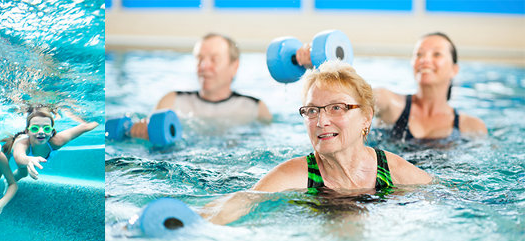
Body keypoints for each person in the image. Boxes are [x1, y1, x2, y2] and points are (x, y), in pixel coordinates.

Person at [200, 61, 433, 225]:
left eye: (336, 108)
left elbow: (446, 198)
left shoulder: (391, 170)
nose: (321, 121)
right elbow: (243, 200)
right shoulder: (299, 173)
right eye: (312, 110)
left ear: (366, 117)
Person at [296, 32, 487, 142]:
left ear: (454, 69)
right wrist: (320, 66)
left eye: (436, 54)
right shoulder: (389, 103)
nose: (425, 60)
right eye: (419, 54)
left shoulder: (471, 126)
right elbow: (350, 95)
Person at [127, 33, 272, 139]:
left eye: (214, 59)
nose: (204, 66)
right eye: (199, 58)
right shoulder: (171, 102)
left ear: (234, 66)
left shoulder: (255, 109)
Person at [0, 108, 98, 188]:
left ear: (52, 131)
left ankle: (9, 183)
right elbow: (19, 156)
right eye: (35, 128)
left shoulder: (57, 141)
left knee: (22, 173)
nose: (41, 132)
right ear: (27, 131)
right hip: (10, 149)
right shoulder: (23, 143)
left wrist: (99, 118)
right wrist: (28, 160)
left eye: (46, 128)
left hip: (29, 158)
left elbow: (84, 127)